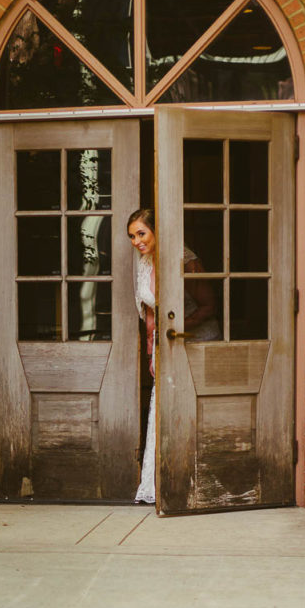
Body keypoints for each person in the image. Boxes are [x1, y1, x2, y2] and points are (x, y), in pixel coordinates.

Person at [127, 208, 220, 505]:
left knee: (190, 410)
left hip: (196, 339)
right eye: (131, 236)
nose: (136, 241)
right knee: (162, 409)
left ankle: (197, 482)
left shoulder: (184, 259)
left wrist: (176, 329)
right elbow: (151, 314)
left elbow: (209, 306)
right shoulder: (144, 263)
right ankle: (159, 485)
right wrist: (152, 351)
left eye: (141, 233)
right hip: (166, 344)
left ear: (156, 231)